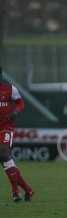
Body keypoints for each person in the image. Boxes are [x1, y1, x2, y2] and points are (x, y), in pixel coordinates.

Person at [0, 67, 33, 202]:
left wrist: (16, 112)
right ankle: (27, 190)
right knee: (5, 161)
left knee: (4, 154)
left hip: (6, 127)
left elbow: (20, 102)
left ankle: (16, 192)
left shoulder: (10, 89)